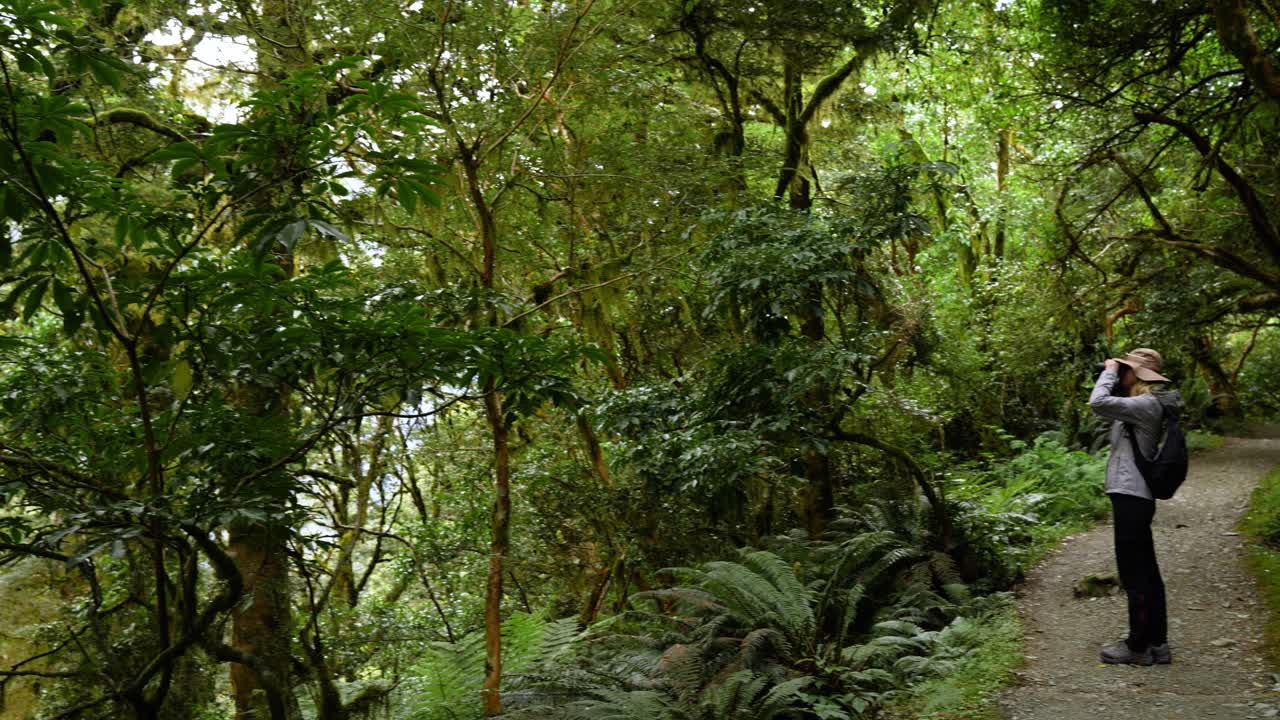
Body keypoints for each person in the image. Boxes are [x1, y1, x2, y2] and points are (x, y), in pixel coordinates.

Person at [1088, 347, 1182, 665]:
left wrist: (1110, 370)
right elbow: (1107, 406)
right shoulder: (1143, 404)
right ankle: (1157, 643)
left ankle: (1137, 647)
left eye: (1126, 368)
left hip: (1131, 495)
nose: (1121, 372)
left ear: (1136, 374)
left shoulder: (1144, 405)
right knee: (1148, 572)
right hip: (1135, 496)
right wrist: (1114, 377)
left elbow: (1097, 402)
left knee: (1134, 573)